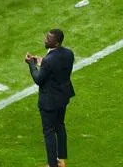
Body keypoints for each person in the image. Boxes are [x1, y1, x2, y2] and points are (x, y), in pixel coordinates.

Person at [27, 29, 75, 167]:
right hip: (63, 97)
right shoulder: (68, 53)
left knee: (49, 132)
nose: (45, 40)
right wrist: (43, 62)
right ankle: (62, 159)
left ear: (57, 42)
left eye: (49, 39)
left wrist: (31, 65)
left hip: (49, 101)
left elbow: (38, 79)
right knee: (60, 126)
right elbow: (58, 69)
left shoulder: (49, 60)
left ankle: (52, 164)